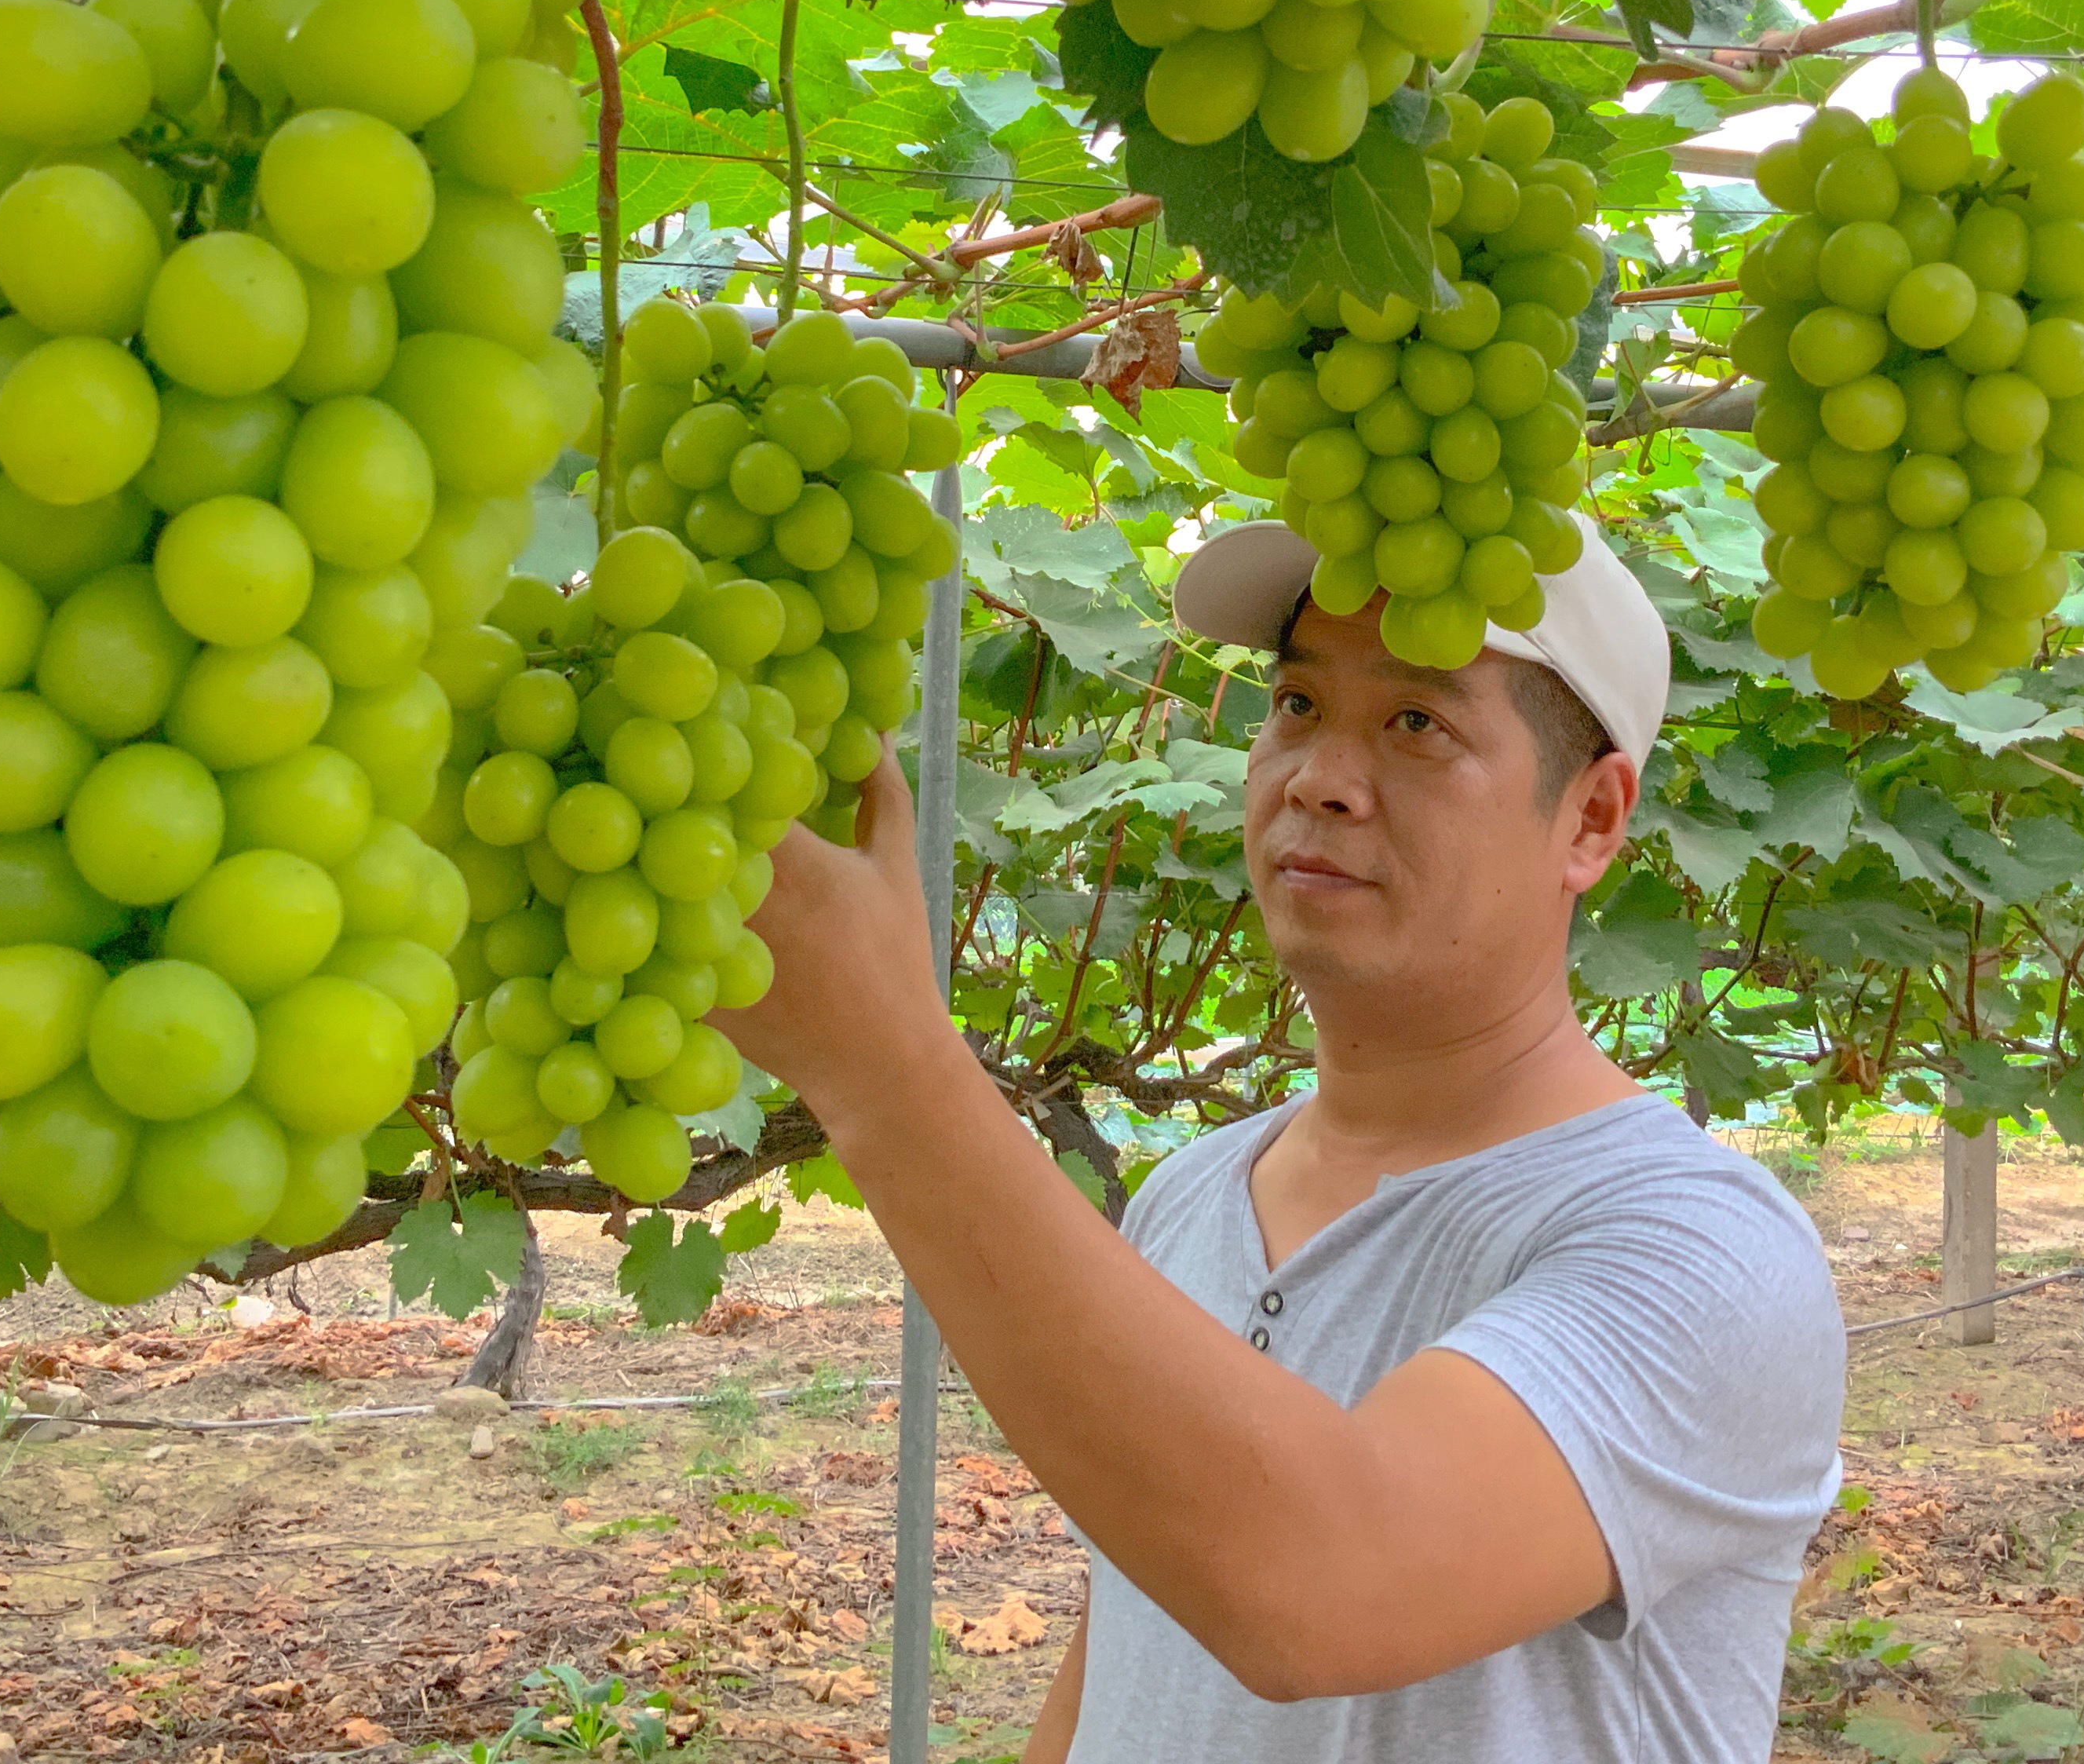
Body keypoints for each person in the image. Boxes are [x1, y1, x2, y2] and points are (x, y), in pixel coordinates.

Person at [714, 510, 1848, 1762]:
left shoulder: (1705, 1255)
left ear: (1590, 820)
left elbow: (1318, 1586)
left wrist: (881, 1062)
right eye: (1298, 706)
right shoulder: (1194, 1194)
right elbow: (1144, 1636)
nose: (1319, 777)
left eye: (1417, 724)